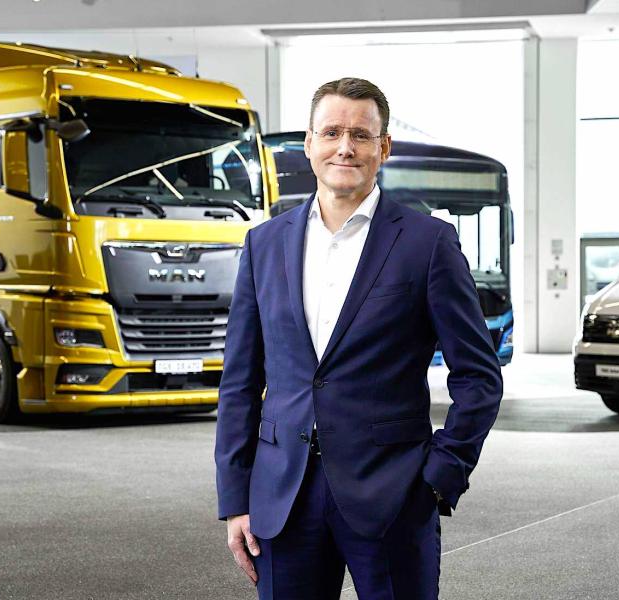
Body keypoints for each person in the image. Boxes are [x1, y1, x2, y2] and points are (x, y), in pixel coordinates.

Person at [215, 77, 503, 600]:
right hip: (282, 497)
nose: (344, 147)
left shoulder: (428, 243)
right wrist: (235, 497)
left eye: (361, 135)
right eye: (331, 133)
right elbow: (239, 383)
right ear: (309, 144)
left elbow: (479, 376)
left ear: (383, 147)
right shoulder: (263, 245)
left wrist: (441, 474)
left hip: (395, 494)